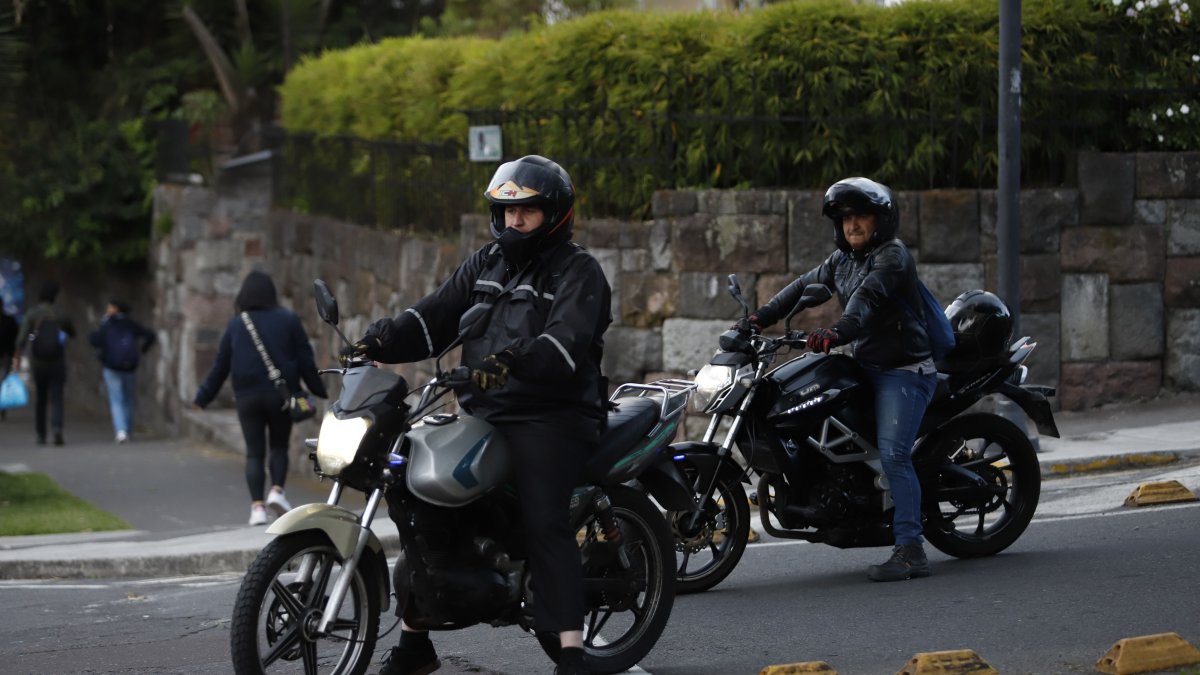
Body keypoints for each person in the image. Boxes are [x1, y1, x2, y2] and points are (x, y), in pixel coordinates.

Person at [350, 155, 610, 675]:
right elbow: (434, 316)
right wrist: (381, 340)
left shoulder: (579, 271)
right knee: (422, 501)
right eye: (507, 211)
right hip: (484, 410)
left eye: (527, 211)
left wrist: (510, 362)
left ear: (554, 213)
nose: (515, 221)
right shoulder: (486, 263)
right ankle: (415, 643)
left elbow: (564, 345)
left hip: (551, 415)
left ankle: (572, 651)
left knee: (545, 518)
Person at [739, 177, 938, 583]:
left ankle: (912, 548)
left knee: (894, 454)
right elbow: (800, 287)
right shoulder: (841, 260)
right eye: (845, 219)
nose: (852, 225)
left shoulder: (892, 257)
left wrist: (838, 331)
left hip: (903, 370)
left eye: (861, 216)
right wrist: (758, 318)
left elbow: (867, 298)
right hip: (865, 364)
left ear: (882, 220)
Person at [192, 271, 328, 526]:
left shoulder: (236, 324)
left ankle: (257, 508)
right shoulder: (288, 319)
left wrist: (202, 398)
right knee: (279, 446)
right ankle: (277, 491)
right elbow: (305, 359)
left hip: (247, 398)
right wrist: (319, 389)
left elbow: (220, 367)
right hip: (281, 396)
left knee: (254, 453)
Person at [13, 280, 76, 445]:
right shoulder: (60, 313)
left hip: (39, 362)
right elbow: (72, 332)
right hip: (57, 361)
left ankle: (41, 434)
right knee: (57, 397)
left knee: (40, 399)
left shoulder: (33, 313)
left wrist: (17, 358)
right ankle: (57, 428)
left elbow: (21, 338)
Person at [88, 299, 157, 442]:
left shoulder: (107, 324)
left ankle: (121, 431)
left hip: (111, 366)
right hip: (129, 366)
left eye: (110, 307)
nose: (107, 310)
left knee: (116, 399)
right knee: (128, 399)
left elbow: (95, 341)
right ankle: (128, 430)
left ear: (116, 309)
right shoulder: (131, 324)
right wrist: (143, 350)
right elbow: (150, 335)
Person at [0, 301, 18, 421]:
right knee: (3, 380)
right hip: (6, 354)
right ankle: (2, 405)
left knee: (3, 380)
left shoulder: (9, 320)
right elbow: (16, 337)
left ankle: (2, 405)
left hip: (6, 354)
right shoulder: (9, 320)